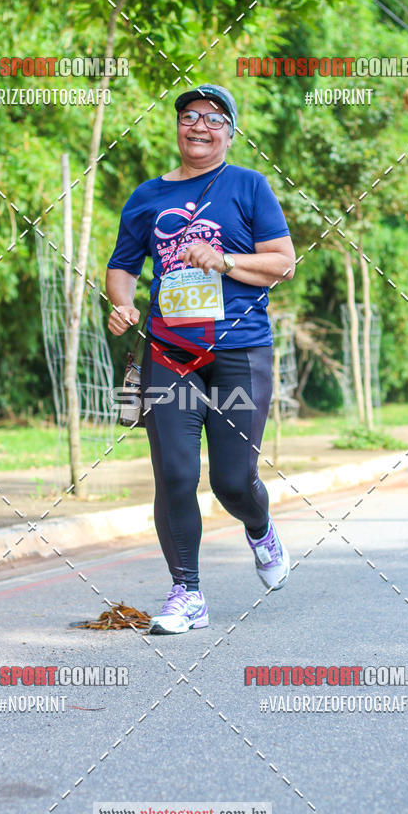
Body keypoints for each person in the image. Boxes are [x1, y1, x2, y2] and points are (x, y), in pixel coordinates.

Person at [106, 84, 296, 635]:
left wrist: (222, 260)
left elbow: (282, 263)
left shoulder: (249, 186)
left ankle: (259, 528)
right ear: (178, 127)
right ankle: (186, 592)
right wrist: (121, 302)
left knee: (232, 482)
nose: (200, 126)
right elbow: (123, 265)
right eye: (190, 116)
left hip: (240, 350)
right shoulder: (146, 197)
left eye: (214, 119)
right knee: (175, 473)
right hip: (169, 351)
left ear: (230, 133)